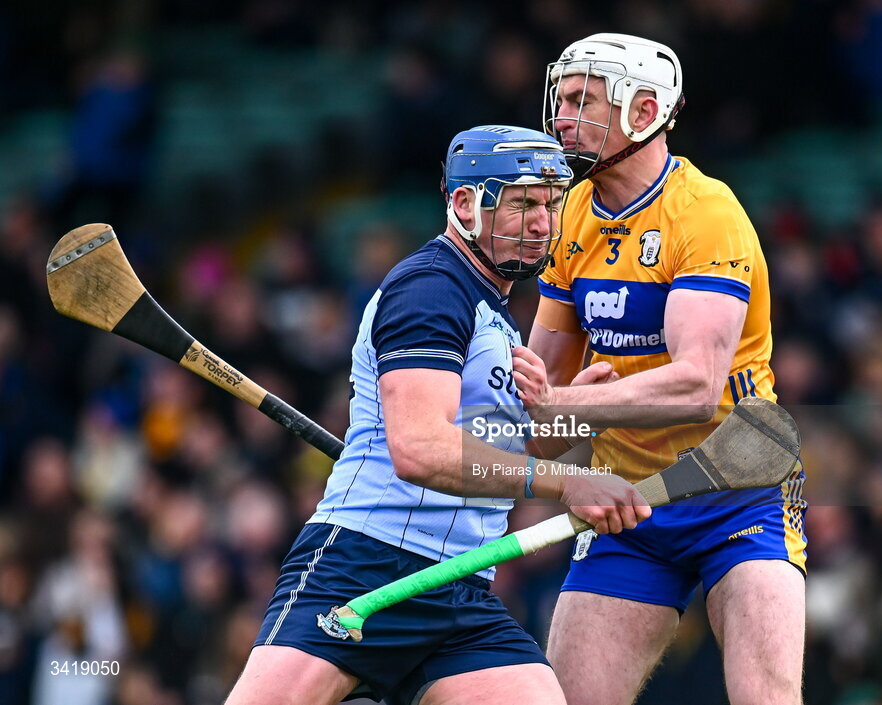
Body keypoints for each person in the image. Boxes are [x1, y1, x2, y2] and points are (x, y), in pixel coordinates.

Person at [224, 125, 650, 705]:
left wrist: (576, 420)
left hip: (460, 583)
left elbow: (503, 457)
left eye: (551, 205)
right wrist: (567, 482)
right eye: (523, 203)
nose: (542, 223)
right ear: (464, 204)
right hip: (365, 563)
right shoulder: (430, 289)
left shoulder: (492, 313)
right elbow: (420, 450)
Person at [510, 34, 808, 705]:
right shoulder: (570, 220)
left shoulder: (706, 215)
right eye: (559, 100)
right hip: (631, 503)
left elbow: (697, 386)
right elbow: (544, 423)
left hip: (740, 487)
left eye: (582, 100)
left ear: (643, 112)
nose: (561, 118)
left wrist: (568, 407)